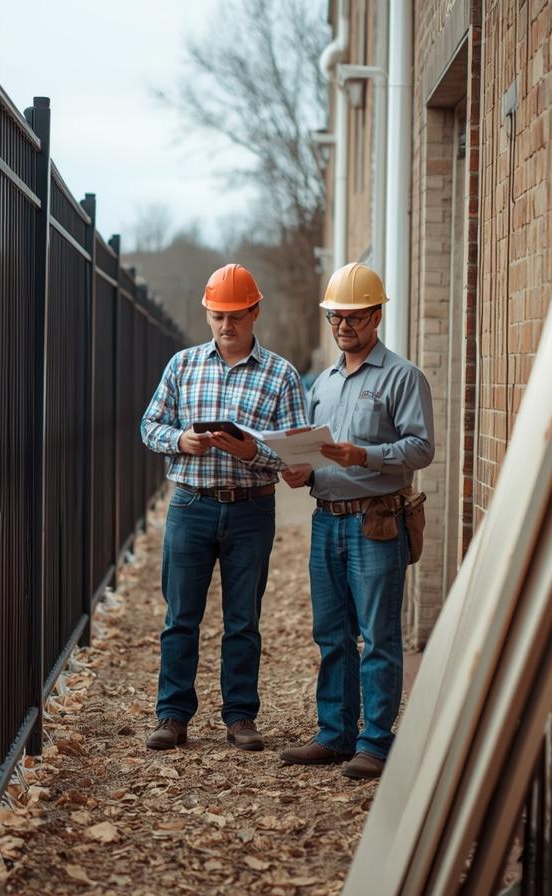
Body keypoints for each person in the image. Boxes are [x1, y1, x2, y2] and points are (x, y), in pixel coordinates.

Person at [139, 263, 308, 752]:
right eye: (218, 316)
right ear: (207, 314)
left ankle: (240, 717)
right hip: (190, 505)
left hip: (251, 511)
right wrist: (181, 440)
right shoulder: (183, 365)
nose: (226, 325)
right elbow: (149, 426)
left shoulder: (281, 375)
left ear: (255, 312)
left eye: (236, 315)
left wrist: (253, 452)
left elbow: (297, 452)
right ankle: (172, 716)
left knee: (243, 620)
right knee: (180, 616)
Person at [278, 262, 434, 780]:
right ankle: (335, 735)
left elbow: (421, 448)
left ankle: (376, 743)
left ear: (377, 316)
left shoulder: (402, 377)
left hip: (376, 523)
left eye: (355, 317)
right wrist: (301, 472)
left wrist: (363, 456)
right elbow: (315, 451)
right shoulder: (323, 382)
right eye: (336, 317)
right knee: (332, 634)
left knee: (378, 636)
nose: (344, 326)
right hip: (327, 520)